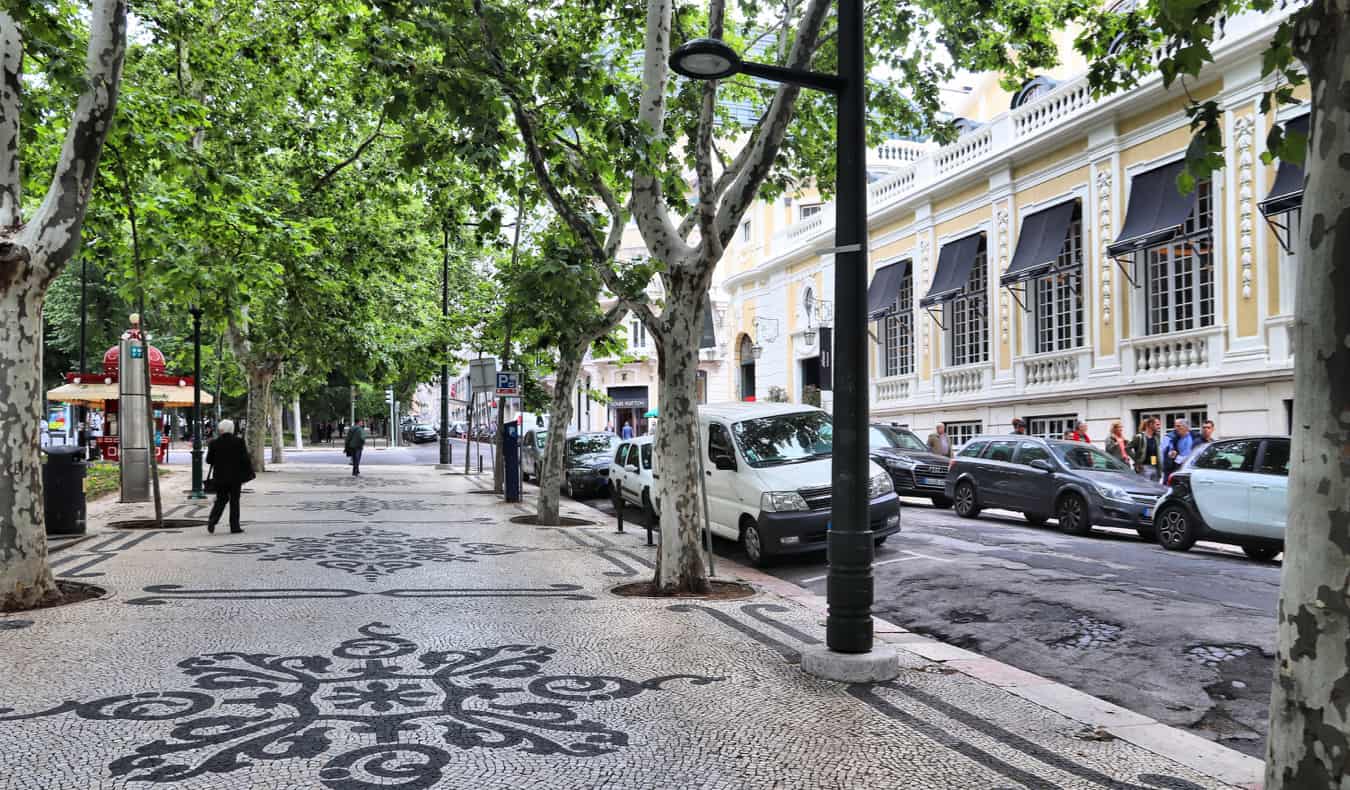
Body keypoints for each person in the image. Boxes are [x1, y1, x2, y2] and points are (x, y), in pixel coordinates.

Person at [205, 419, 254, 534]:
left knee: (221, 499)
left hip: (219, 477)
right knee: (234, 501)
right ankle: (234, 526)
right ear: (231, 429)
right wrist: (247, 473)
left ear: (220, 429)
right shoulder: (239, 442)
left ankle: (213, 520)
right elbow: (245, 459)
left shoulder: (214, 443)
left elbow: (209, 460)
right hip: (235, 477)